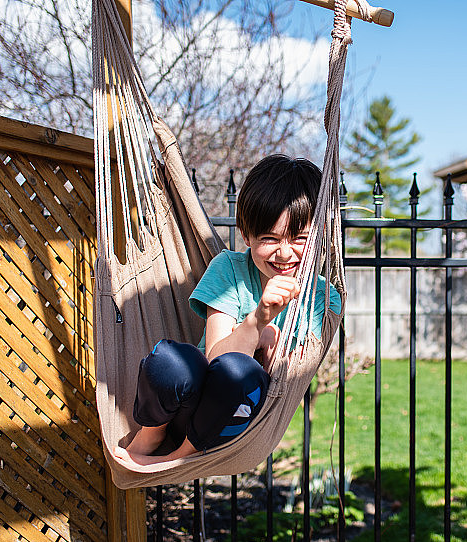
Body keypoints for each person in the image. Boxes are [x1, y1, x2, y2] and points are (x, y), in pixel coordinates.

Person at [113, 154, 341, 468]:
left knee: (241, 373)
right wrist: (259, 320)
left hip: (235, 418)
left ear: (321, 236)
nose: (285, 253)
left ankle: (177, 458)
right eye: (269, 239)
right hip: (189, 401)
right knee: (170, 359)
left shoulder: (323, 299)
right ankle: (151, 435)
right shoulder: (230, 270)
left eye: (300, 239)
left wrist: (268, 342)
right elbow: (214, 359)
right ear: (246, 235)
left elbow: (285, 376)